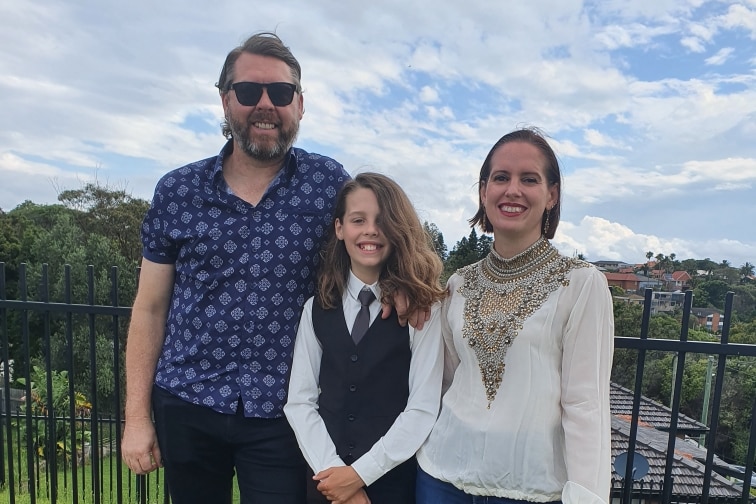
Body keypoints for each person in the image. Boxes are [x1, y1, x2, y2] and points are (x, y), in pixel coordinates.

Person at [120, 32, 352, 504]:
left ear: (300, 105)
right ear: (226, 101)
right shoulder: (178, 191)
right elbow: (149, 308)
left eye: (280, 93)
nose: (265, 104)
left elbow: (372, 254)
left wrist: (406, 289)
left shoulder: (329, 185)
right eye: (248, 92)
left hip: (285, 414)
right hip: (187, 403)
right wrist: (137, 417)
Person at [415, 128, 614, 504]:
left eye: (529, 179)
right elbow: (445, 380)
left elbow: (585, 405)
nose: (512, 190)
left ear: (552, 195)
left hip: (530, 487)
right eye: (501, 178)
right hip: (440, 476)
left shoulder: (581, 284)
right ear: (483, 191)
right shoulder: (459, 284)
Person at [284, 173, 447, 504]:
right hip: (324, 482)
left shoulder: (421, 311)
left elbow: (422, 408)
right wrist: (336, 476)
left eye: (382, 221)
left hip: (392, 484)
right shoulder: (315, 309)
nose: (371, 230)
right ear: (340, 228)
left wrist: (359, 476)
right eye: (358, 220)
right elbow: (300, 402)